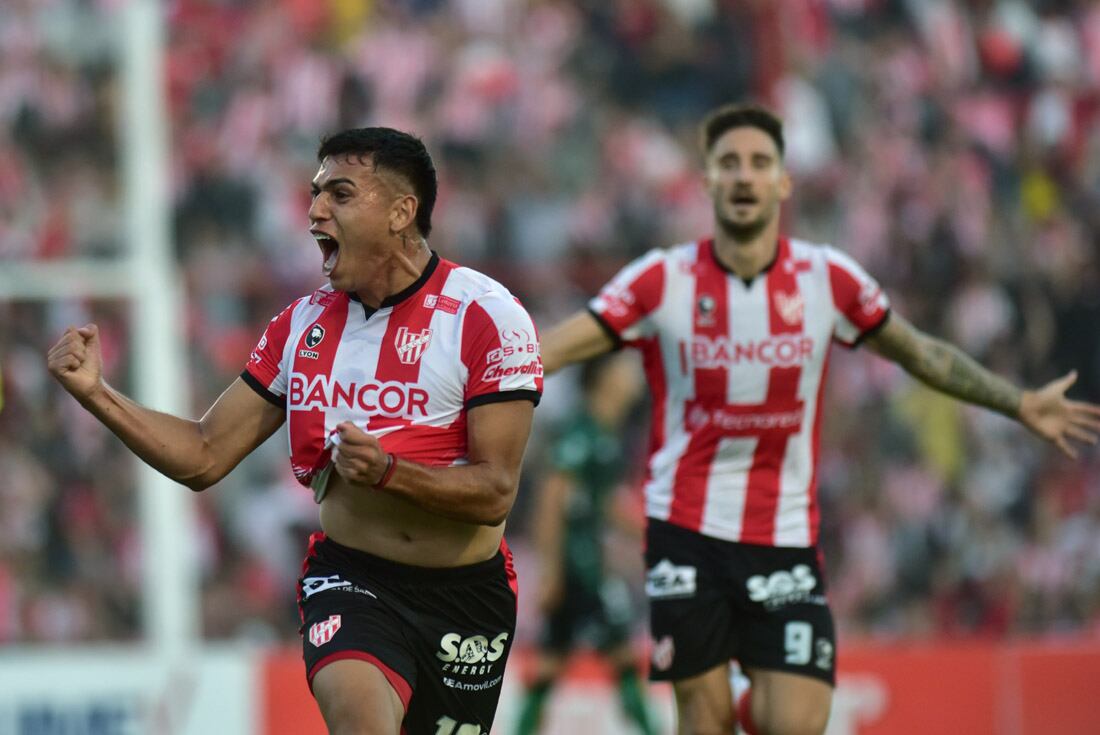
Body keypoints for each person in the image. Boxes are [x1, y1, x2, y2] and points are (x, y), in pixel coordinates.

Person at [538, 104, 1100, 735]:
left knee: (797, 723)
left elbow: (921, 353)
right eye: (729, 164)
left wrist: (1018, 402)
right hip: (685, 533)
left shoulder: (825, 279)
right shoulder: (660, 280)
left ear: (783, 181)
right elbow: (549, 351)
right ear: (708, 182)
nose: (744, 177)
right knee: (704, 722)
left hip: (783, 537)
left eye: (759, 163)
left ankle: (756, 704)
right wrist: (468, 383)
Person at [47, 127, 543, 735]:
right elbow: (204, 455)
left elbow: (496, 491)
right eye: (314, 194)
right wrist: (97, 394)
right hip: (351, 581)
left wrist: (389, 471)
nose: (313, 211)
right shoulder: (301, 325)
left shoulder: (487, 316)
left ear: (400, 212)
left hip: (466, 598)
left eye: (339, 193)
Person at [515, 353, 655, 735]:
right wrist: (551, 571)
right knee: (622, 659)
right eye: (624, 368)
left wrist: (652, 538)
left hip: (585, 567)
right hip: (581, 570)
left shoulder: (605, 434)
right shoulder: (582, 434)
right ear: (603, 376)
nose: (633, 377)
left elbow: (604, 503)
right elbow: (550, 498)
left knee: (549, 666)